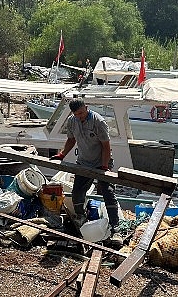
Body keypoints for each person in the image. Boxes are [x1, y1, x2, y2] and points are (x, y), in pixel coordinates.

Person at [50, 98, 123, 247]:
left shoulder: (98, 121)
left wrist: (103, 166)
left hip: (101, 161)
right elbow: (71, 139)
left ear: (87, 108)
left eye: (82, 113)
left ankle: (116, 226)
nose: (80, 116)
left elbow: (106, 145)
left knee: (107, 192)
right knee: (77, 192)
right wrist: (62, 154)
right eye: (76, 114)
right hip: (84, 162)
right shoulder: (72, 121)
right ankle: (80, 218)